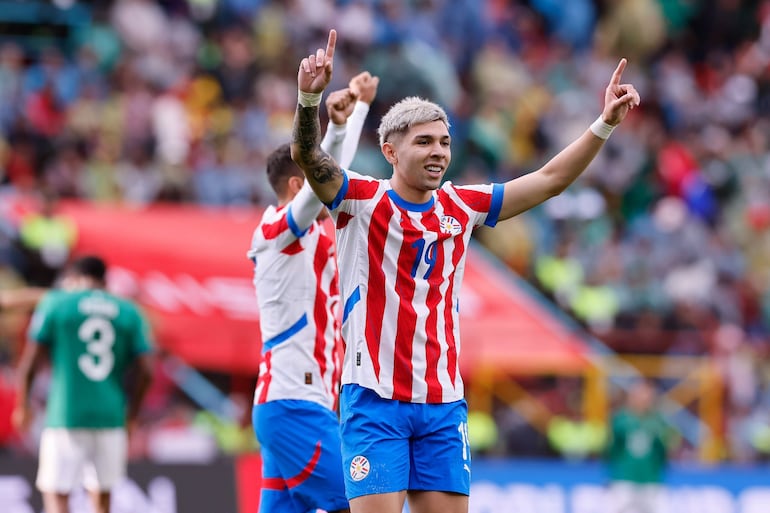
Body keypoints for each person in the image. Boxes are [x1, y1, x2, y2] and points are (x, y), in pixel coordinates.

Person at [290, 29, 640, 513]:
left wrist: (603, 123)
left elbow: (550, 180)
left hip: (442, 405)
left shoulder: (463, 205)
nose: (438, 152)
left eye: (445, 142)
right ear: (390, 152)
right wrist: (310, 97)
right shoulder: (359, 199)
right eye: (424, 142)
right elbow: (308, 157)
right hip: (374, 402)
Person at [247, 72, 378, 513]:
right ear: (298, 186)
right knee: (360, 503)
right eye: (313, 176)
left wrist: (357, 108)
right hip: (292, 403)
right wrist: (336, 128)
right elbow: (326, 172)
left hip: (302, 404)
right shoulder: (274, 231)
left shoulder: (315, 233)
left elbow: (333, 173)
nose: (328, 184)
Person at [12, 255, 153, 513]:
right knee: (101, 495)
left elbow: (31, 360)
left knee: (57, 493)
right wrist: (132, 415)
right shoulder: (128, 310)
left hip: (66, 413)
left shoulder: (57, 303)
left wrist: (23, 404)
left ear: (73, 278)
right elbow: (146, 371)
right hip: (111, 415)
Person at [605, 380, 670, 513]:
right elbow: (612, 450)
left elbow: (662, 451)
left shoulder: (658, 420)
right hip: (625, 478)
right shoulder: (621, 420)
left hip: (650, 479)